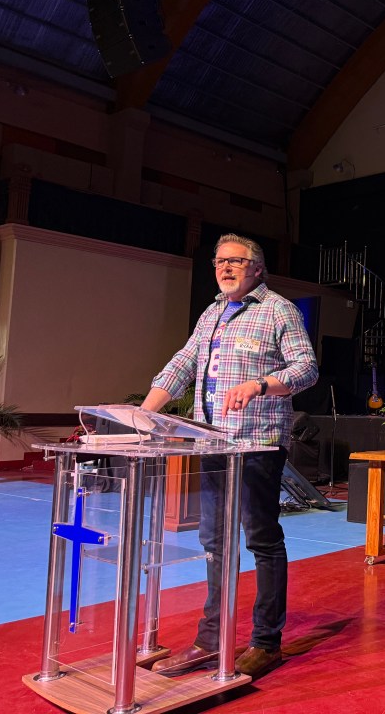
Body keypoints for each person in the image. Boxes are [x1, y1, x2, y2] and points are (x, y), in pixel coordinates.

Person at [145, 233, 318, 679]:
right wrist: (144, 414)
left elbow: (306, 369)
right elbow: (183, 363)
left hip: (256, 444)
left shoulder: (278, 310)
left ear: (257, 268)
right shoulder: (212, 312)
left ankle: (266, 642)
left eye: (235, 261)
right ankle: (211, 640)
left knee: (261, 540)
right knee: (213, 542)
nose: (224, 268)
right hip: (213, 443)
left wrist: (260, 385)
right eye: (219, 261)